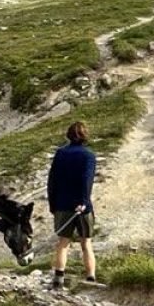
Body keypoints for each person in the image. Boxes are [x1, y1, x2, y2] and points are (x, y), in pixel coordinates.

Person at [47, 120, 100, 289]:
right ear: (85, 136)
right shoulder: (88, 155)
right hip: (82, 206)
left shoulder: (60, 154)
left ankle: (58, 278)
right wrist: (84, 201)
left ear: (68, 135)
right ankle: (90, 277)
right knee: (86, 243)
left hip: (62, 204)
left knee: (63, 242)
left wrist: (52, 204)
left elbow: (52, 181)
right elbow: (87, 180)